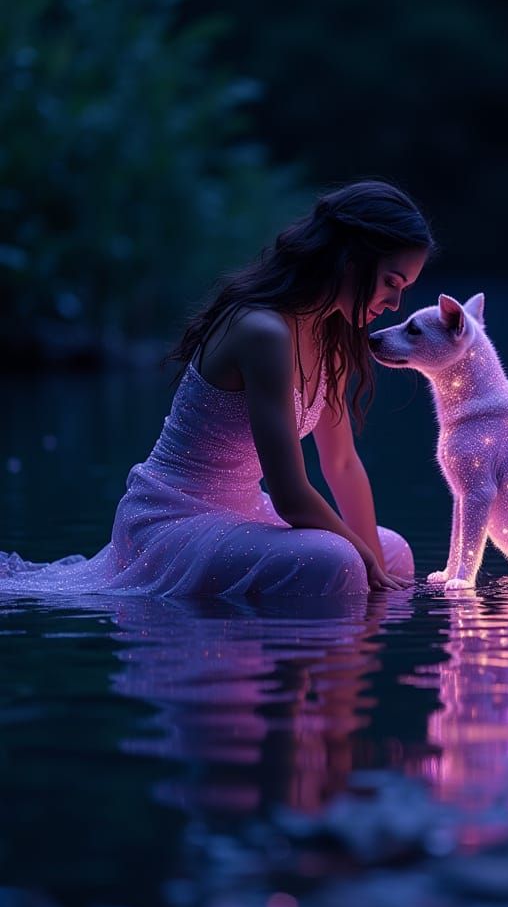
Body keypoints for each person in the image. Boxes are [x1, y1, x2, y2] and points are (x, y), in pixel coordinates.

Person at [0, 180, 433, 598]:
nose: (395, 304)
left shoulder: (330, 337)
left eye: (405, 289)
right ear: (350, 260)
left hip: (245, 510)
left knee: (392, 552)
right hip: (175, 518)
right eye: (391, 282)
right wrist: (361, 559)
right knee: (339, 561)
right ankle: (290, 665)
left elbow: (341, 464)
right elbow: (290, 495)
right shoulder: (263, 331)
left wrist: (374, 565)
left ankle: (346, 670)